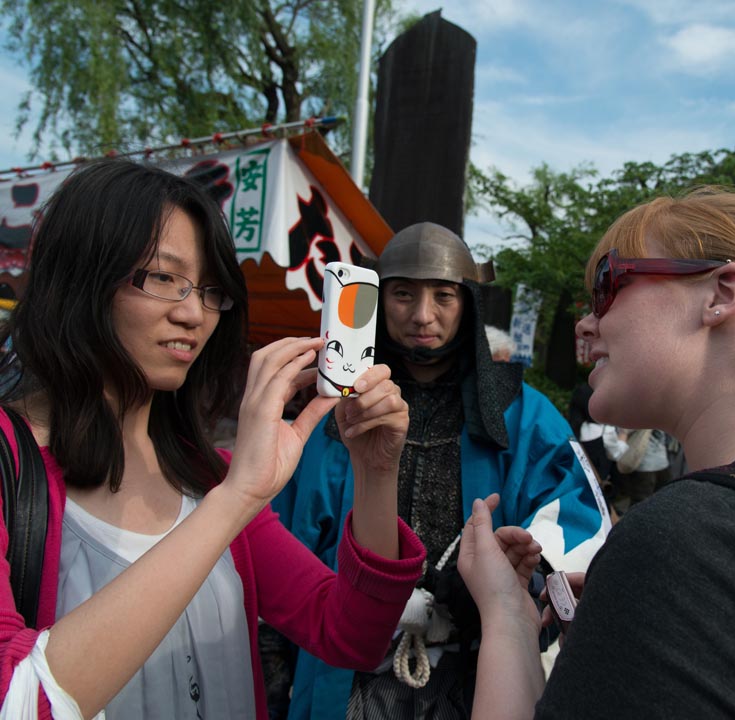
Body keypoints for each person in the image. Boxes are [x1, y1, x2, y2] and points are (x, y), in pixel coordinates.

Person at [0, 158, 426, 719]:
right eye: (163, 277)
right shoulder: (14, 463)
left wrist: (376, 473)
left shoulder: (206, 475)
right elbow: (20, 700)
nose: (193, 314)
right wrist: (235, 501)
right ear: (78, 277)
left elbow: (349, 634)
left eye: (208, 290)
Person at [457, 186, 735, 718]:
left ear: (722, 294)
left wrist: (505, 613)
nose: (585, 323)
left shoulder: (699, 543)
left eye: (608, 285)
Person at [272, 222, 609, 720]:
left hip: (473, 669)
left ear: (468, 302)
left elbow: (578, 524)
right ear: (378, 300)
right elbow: (282, 543)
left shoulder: (523, 414)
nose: (422, 315)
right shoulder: (333, 413)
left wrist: (511, 583)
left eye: (444, 296)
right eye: (403, 294)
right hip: (342, 668)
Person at [601, 426, 671, 513]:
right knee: (660, 500)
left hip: (643, 464)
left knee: (640, 502)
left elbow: (624, 430)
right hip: (660, 462)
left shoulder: (637, 416)